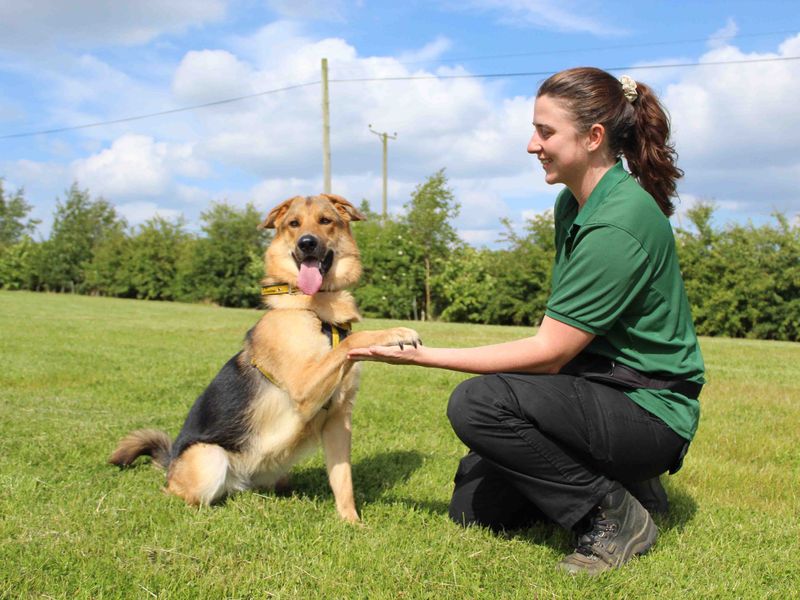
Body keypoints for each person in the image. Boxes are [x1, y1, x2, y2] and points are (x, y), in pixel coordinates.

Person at [348, 66, 705, 576]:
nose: (531, 144)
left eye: (545, 131)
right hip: (597, 388)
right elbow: (561, 336)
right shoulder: (574, 203)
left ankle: (616, 515)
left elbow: (550, 351)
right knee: (476, 511)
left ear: (593, 137)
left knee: (479, 402)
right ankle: (623, 480)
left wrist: (422, 356)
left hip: (649, 408)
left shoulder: (619, 221)